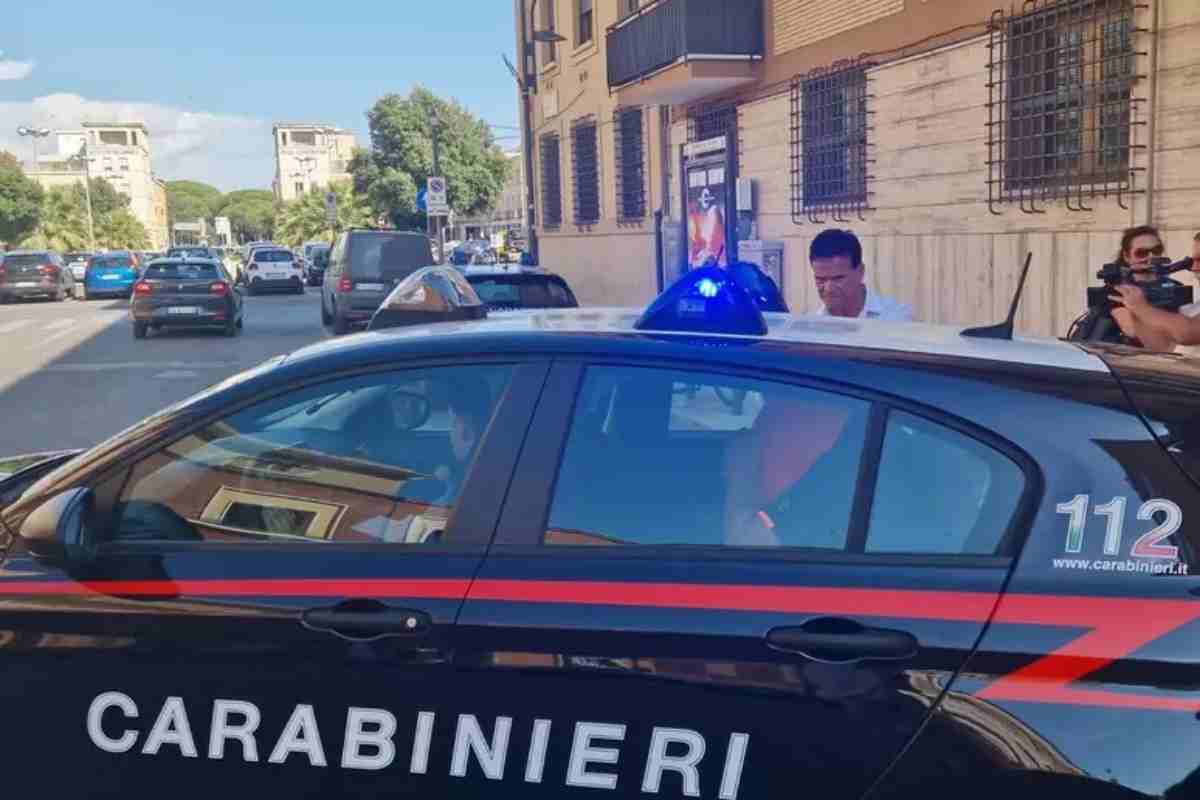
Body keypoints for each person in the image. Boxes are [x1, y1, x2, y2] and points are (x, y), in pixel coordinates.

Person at [1106, 226, 1193, 351]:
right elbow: (1131, 330)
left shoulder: (1176, 286)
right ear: (1126, 256)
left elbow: (1190, 326)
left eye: (1156, 250)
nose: (1151, 257)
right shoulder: (1117, 289)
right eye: (1141, 253)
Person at [809, 229, 913, 320]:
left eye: (838, 279)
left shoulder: (896, 319)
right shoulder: (811, 329)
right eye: (820, 279)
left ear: (860, 271)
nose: (828, 289)